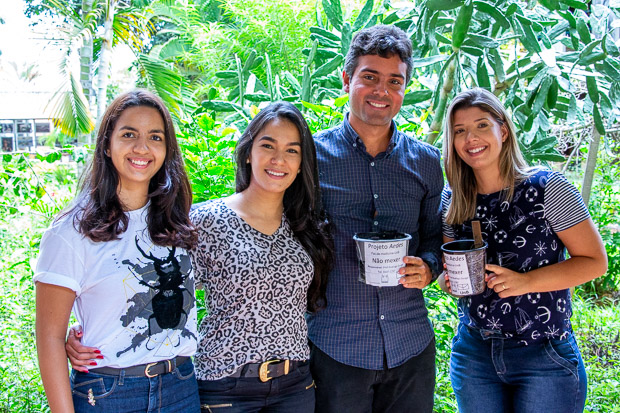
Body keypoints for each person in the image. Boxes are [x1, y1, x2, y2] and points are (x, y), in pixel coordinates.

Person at [66, 101, 334, 413]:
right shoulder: (204, 221)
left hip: (295, 387)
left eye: (292, 150)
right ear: (248, 152)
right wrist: (83, 331)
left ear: (302, 162)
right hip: (225, 388)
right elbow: (153, 282)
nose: (278, 159)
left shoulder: (305, 226)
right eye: (268, 145)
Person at [439, 88, 608, 413]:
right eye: (459, 131)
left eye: (481, 125)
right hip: (475, 354)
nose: (470, 138)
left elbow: (594, 262)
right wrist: (448, 282)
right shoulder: (454, 199)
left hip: (543, 353)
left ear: (503, 129)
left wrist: (524, 282)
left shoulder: (547, 188)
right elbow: (450, 270)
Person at [34, 90, 201, 412]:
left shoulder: (175, 221)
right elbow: (49, 337)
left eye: (155, 136)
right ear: (107, 144)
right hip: (110, 393)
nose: (142, 147)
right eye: (128, 135)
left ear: (167, 150)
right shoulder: (71, 231)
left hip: (181, 385)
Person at [307, 25, 444, 413]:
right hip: (336, 345)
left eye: (394, 81)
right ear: (348, 78)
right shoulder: (310, 159)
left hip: (410, 343)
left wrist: (430, 267)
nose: (382, 91)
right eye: (370, 77)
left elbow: (435, 238)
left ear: (404, 88)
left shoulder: (427, 162)